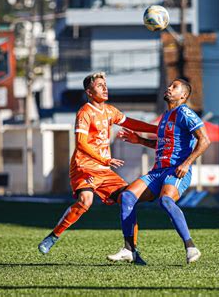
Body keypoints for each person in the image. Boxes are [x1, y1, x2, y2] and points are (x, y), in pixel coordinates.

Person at [38, 72, 157, 263]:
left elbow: (132, 123)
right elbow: (81, 144)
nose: (105, 88)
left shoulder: (110, 111)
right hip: (84, 166)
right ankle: (53, 236)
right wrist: (104, 159)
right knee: (86, 200)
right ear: (89, 92)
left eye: (105, 84)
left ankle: (131, 250)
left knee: (129, 199)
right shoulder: (84, 112)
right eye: (100, 85)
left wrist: (156, 129)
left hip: (104, 170)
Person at [107, 79, 210, 264]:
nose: (169, 88)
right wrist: (140, 140)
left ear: (183, 95)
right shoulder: (165, 116)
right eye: (170, 85)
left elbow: (204, 140)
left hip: (175, 170)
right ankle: (129, 250)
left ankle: (191, 247)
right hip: (158, 171)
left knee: (165, 201)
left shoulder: (184, 112)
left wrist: (186, 164)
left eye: (175, 87)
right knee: (127, 197)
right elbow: (161, 144)